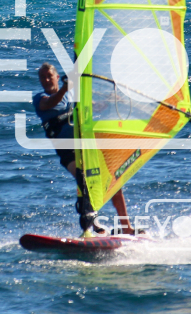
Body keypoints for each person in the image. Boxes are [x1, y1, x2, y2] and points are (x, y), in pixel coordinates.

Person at [33, 62, 137, 235]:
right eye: (42, 77)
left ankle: (127, 227)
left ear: (57, 77)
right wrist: (65, 89)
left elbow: (95, 106)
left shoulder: (72, 94)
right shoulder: (40, 98)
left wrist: (110, 100)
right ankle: (92, 227)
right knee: (84, 180)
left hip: (86, 146)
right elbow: (51, 102)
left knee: (113, 181)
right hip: (68, 150)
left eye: (49, 76)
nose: (46, 80)